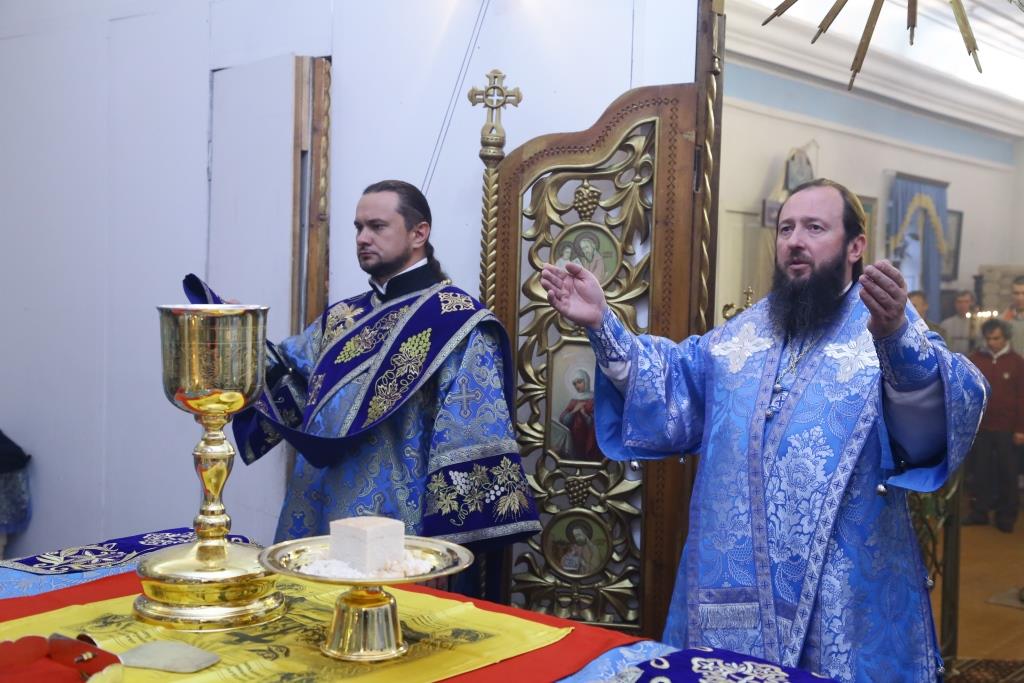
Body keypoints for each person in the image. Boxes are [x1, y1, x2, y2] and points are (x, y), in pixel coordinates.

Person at [541, 178, 987, 682]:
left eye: (814, 228)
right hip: (731, 588)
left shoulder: (887, 329)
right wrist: (603, 324)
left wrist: (898, 344)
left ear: (855, 246)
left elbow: (933, 425)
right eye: (786, 228)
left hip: (836, 599)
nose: (795, 241)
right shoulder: (744, 334)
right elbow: (672, 383)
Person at [185, 180, 540, 595]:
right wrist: (237, 336)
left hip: (401, 531)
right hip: (319, 512)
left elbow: (471, 432)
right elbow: (289, 385)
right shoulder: (342, 317)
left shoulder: (456, 322)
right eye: (358, 227)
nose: (362, 238)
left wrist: (443, 544)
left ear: (419, 233)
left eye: (377, 226)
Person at [964, 319, 1024, 532]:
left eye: (996, 338)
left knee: (1008, 473)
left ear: (1006, 338)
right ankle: (979, 511)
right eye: (988, 338)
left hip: (1008, 428)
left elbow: (1022, 398)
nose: (991, 342)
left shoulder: (1017, 362)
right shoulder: (976, 359)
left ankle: (1006, 516)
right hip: (982, 427)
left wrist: (1020, 428)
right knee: (980, 472)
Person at [558, 369, 599, 461]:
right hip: (575, 439)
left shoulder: (594, 399)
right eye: (575, 384)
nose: (577, 386)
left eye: (579, 382)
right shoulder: (574, 400)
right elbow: (563, 420)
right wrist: (574, 411)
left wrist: (584, 414)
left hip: (590, 439)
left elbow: (597, 422)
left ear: (586, 381)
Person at [940, 289, 977, 355]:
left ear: (972, 303)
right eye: (959, 302)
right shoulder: (946, 324)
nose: (962, 305)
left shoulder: (978, 324)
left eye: (966, 302)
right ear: (955, 304)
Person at [1002, 275, 1024, 352]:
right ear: (1011, 294)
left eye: (1023, 293)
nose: (1020, 298)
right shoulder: (1002, 321)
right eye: (1016, 293)